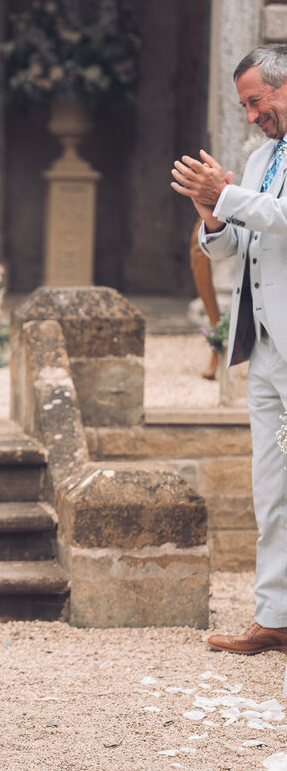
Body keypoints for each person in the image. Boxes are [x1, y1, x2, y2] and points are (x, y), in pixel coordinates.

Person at [173, 44, 287, 654]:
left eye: (256, 102)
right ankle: (274, 618)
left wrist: (229, 194)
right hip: (265, 346)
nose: (250, 116)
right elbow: (234, 247)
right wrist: (212, 215)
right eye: (245, 105)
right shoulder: (261, 155)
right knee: (270, 486)